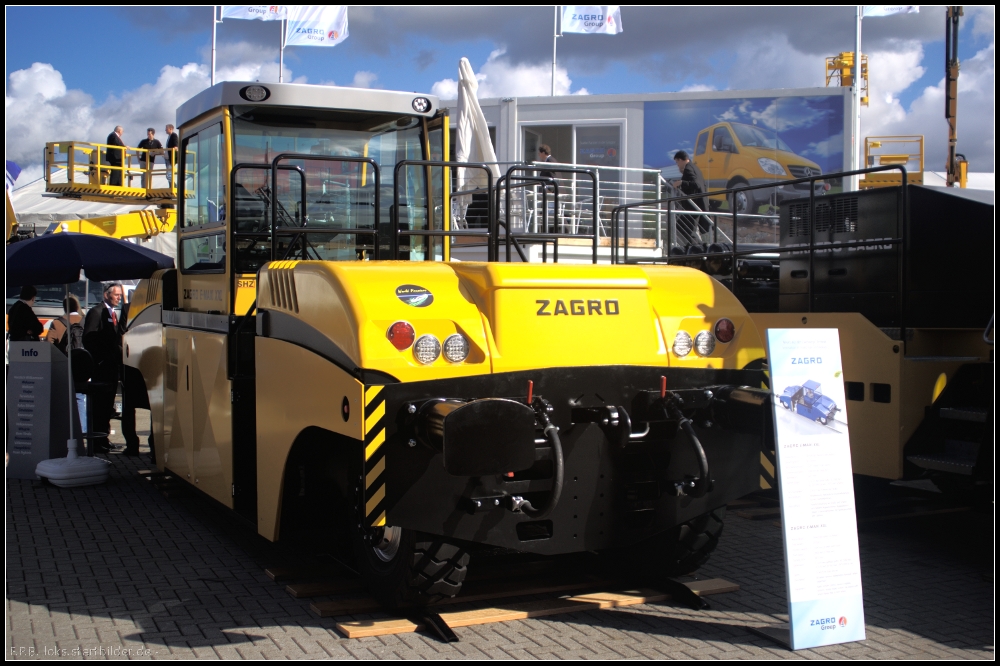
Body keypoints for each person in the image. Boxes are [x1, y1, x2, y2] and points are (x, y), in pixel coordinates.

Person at [83, 282, 124, 454]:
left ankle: (104, 438)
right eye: (116, 295)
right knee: (100, 406)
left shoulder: (112, 313)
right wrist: (99, 360)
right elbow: (89, 338)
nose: (119, 298)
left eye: (120, 296)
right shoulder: (96, 312)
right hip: (102, 368)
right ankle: (98, 441)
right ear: (106, 294)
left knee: (108, 405)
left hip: (112, 367)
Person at [672, 150, 711, 233]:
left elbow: (696, 184)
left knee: (685, 230)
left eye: (677, 162)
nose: (677, 165)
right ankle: (696, 244)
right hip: (697, 204)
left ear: (680, 160)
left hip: (693, 205)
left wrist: (681, 182)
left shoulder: (688, 169)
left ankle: (696, 245)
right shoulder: (694, 167)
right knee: (684, 228)